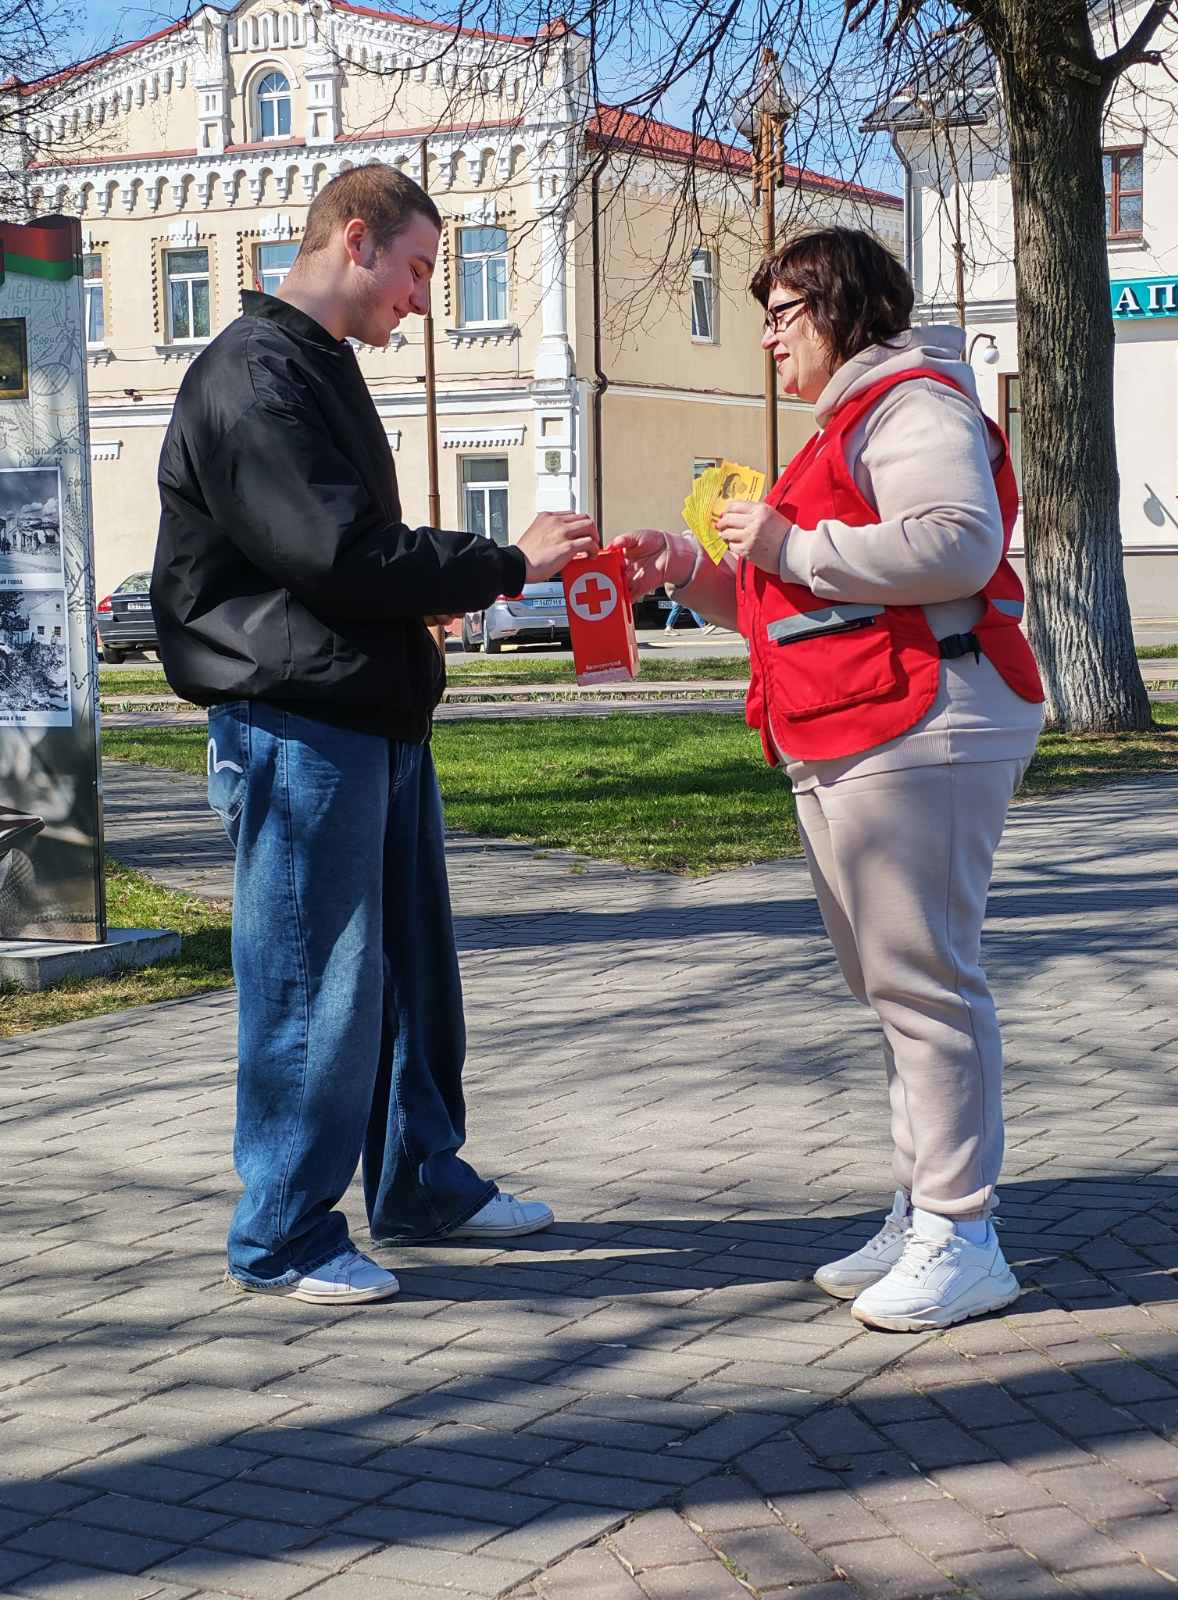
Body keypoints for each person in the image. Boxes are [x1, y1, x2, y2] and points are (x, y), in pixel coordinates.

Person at [153, 164, 598, 1306]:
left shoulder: (315, 367)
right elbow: (337, 553)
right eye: (415, 268)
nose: (421, 297)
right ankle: (284, 1233)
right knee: (315, 983)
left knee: (405, 973)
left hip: (366, 715)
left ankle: (420, 1181)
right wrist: (506, 561)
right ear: (356, 240)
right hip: (298, 725)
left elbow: (340, 560)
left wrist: (426, 598)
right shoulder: (253, 376)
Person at [616, 227, 1044, 1332]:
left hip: (923, 721)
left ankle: (962, 1232)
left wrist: (787, 544)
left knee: (925, 984)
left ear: (843, 309)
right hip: (858, 726)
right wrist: (692, 567)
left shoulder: (911, 405)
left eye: (783, 315)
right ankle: (925, 1209)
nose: (768, 339)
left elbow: (957, 542)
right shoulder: (846, 425)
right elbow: (794, 597)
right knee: (894, 986)